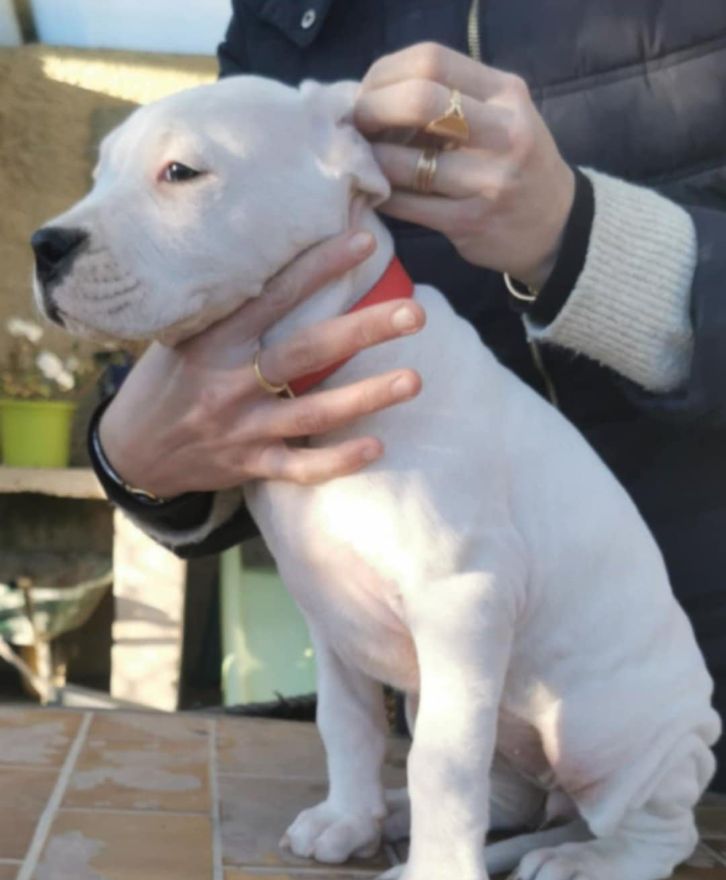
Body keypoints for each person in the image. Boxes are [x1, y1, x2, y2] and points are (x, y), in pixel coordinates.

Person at [88, 1, 726, 790]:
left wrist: (580, 235)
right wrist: (136, 459)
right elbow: (214, 275)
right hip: (442, 728)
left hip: (667, 689)